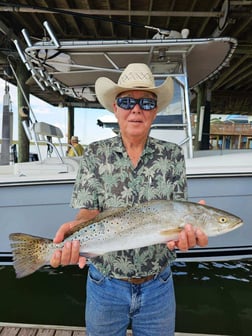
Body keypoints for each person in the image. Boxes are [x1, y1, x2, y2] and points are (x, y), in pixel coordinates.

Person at [50, 63, 208, 336]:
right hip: (105, 284)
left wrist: (186, 236)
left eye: (146, 102)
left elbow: (176, 220)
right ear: (116, 108)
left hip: (158, 285)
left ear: (155, 111)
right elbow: (88, 214)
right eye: (127, 101)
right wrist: (73, 235)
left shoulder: (172, 156)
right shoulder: (95, 154)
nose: (136, 109)